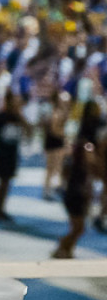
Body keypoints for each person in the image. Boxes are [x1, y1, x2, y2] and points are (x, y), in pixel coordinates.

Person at [53, 100, 99, 258]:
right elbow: (92, 167)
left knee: (78, 227)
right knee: (79, 227)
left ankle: (67, 249)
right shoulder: (87, 147)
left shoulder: (77, 146)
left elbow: (67, 169)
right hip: (77, 190)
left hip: (73, 188)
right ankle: (62, 247)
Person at [0, 90, 24, 223]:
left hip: (12, 154)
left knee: (7, 183)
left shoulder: (17, 117)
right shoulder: (0, 117)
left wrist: (20, 116)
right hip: (1, 154)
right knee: (2, 182)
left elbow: (29, 130)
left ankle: (1, 209)